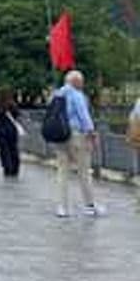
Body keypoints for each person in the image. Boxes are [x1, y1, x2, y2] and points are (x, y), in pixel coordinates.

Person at [53, 69, 103, 218]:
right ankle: (89, 205)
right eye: (81, 81)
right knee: (84, 172)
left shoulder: (57, 94)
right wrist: (92, 133)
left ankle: (62, 207)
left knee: (62, 172)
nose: (83, 84)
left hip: (60, 136)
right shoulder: (76, 95)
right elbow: (84, 116)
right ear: (76, 82)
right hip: (76, 136)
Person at [0, 87, 22, 178]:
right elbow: (17, 114)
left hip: (0, 130)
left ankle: (7, 167)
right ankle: (15, 167)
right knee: (13, 149)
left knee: (4, 150)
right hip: (11, 130)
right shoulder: (12, 104)